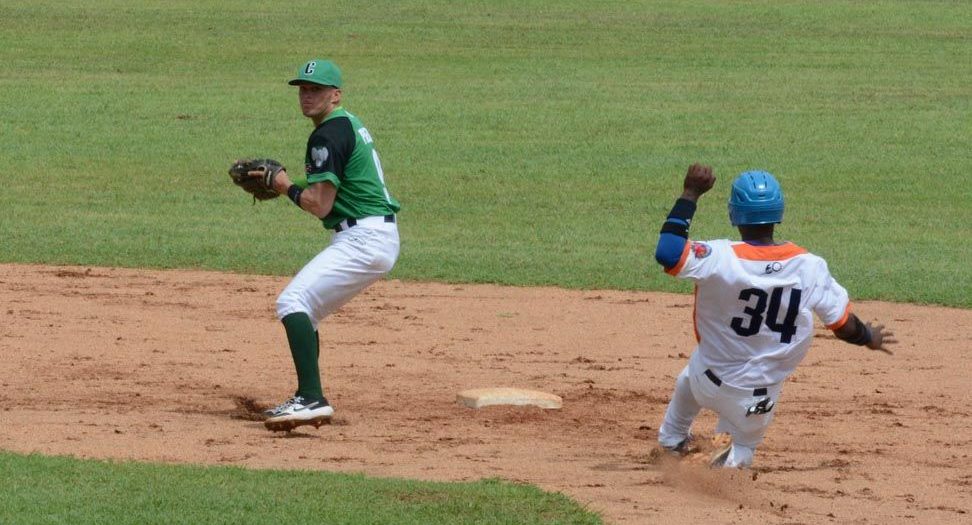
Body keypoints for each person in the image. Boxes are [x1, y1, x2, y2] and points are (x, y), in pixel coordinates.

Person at [653, 164, 895, 468]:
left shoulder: (719, 257)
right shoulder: (809, 266)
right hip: (756, 401)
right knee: (743, 444)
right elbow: (843, 325)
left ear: (733, 214)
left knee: (690, 374)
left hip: (707, 380)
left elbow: (668, 252)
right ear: (779, 214)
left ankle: (672, 440)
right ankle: (727, 460)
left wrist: (690, 194)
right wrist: (868, 337)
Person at [261, 58, 401, 432]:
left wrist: (283, 185)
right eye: (304, 90)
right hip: (370, 236)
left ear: (335, 95)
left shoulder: (327, 135)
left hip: (364, 238)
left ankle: (311, 398)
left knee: (292, 302)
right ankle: (307, 394)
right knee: (306, 311)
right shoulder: (347, 124)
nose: (307, 97)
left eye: (317, 90)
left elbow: (319, 203)